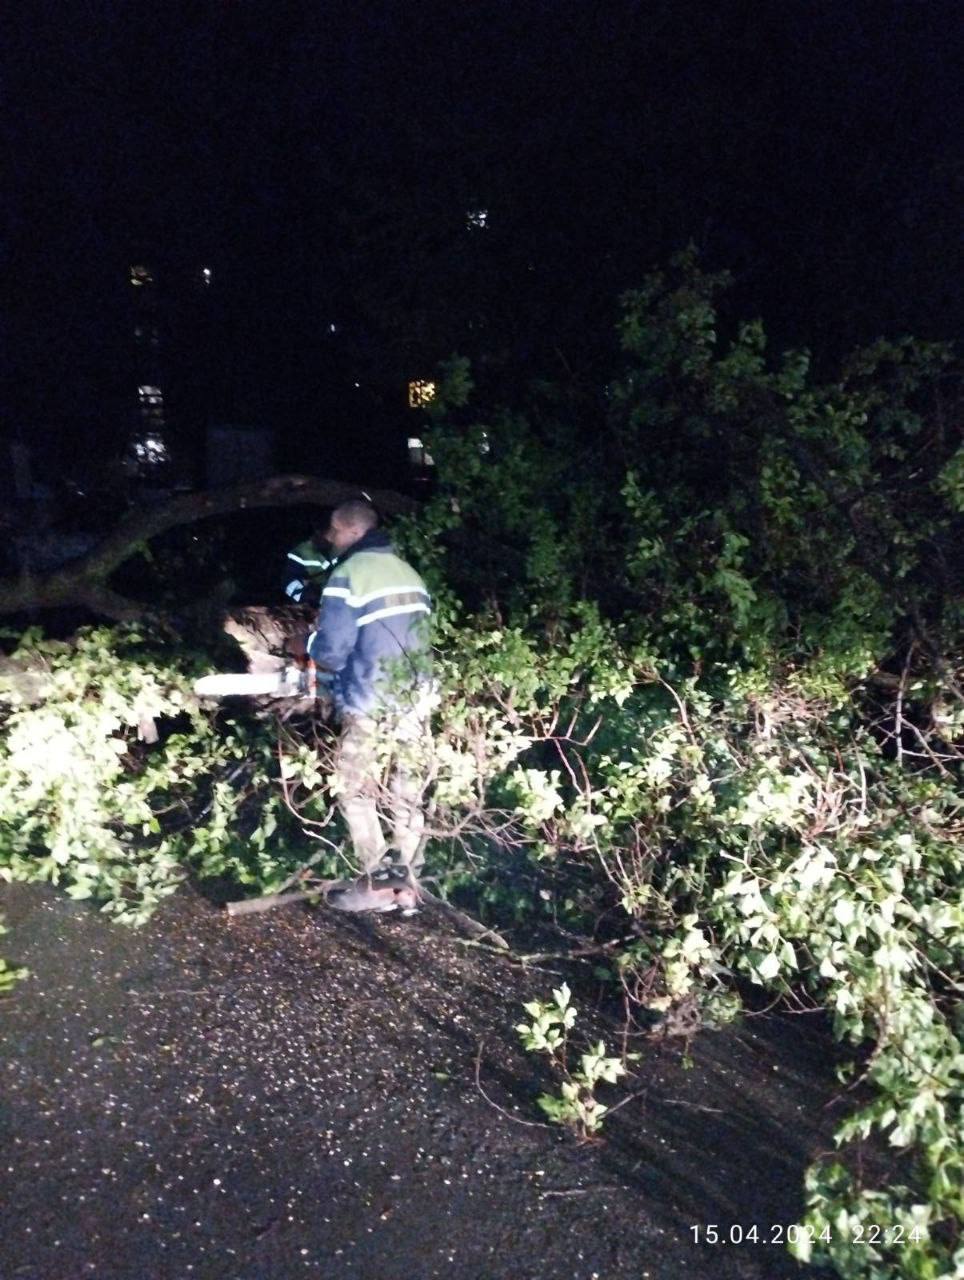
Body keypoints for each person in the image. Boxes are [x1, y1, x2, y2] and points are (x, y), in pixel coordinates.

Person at [307, 499, 433, 874]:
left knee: (352, 785)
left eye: (336, 530)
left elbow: (331, 651)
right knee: (407, 790)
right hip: (415, 697)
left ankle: (375, 868)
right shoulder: (408, 572)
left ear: (355, 532)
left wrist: (306, 645)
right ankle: (411, 873)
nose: (331, 537)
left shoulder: (350, 574)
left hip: (368, 697)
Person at [283, 526, 334, 607]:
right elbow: (290, 583)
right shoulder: (301, 552)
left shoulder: (351, 549)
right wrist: (309, 596)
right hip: (315, 608)